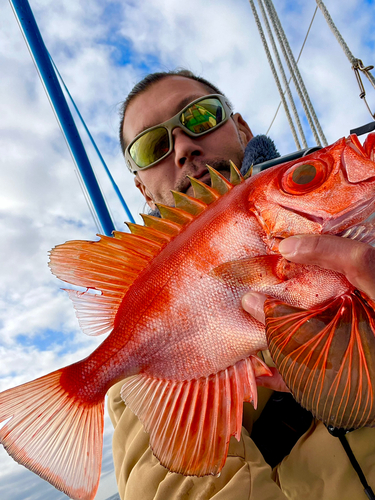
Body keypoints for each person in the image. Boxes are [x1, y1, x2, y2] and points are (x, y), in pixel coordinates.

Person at [108, 69, 375, 500]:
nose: (182, 147)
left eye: (199, 118)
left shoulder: (351, 195)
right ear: (143, 188)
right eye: (153, 146)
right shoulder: (147, 354)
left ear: (241, 127)